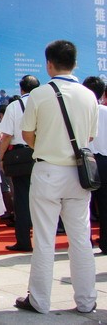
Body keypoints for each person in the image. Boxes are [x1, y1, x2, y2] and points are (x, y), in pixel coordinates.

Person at [15, 40, 98, 314]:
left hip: (47, 170)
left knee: (44, 238)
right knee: (81, 238)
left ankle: (39, 300)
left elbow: (27, 134)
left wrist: (46, 145)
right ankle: (86, 300)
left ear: (49, 64)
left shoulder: (39, 94)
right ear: (75, 63)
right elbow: (90, 136)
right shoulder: (89, 95)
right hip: (79, 173)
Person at [0, 75, 40, 252]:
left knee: (22, 199)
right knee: (44, 198)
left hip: (21, 157)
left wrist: (1, 157)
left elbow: (6, 135)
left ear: (21, 89)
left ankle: (23, 241)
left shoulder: (14, 106)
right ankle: (44, 242)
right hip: (43, 153)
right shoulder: (45, 103)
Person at [83, 76, 107, 254]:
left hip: (85, 161)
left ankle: (85, 243)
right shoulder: (105, 111)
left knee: (84, 204)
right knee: (105, 204)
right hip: (105, 161)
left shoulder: (82, 112)